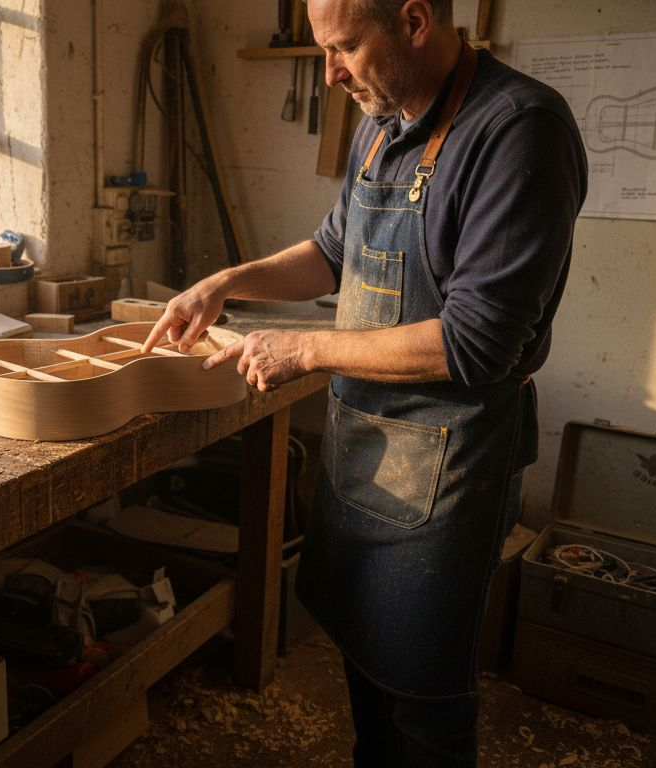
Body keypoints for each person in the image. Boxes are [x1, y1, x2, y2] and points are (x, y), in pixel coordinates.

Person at [142, 0, 587, 764]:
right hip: (366, 453)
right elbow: (331, 251)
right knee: (366, 677)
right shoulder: (384, 122)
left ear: (414, 22)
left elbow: (475, 342)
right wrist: (225, 282)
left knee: (423, 704)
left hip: (449, 470)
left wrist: (307, 349)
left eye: (344, 47)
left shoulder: (519, 130)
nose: (330, 72)